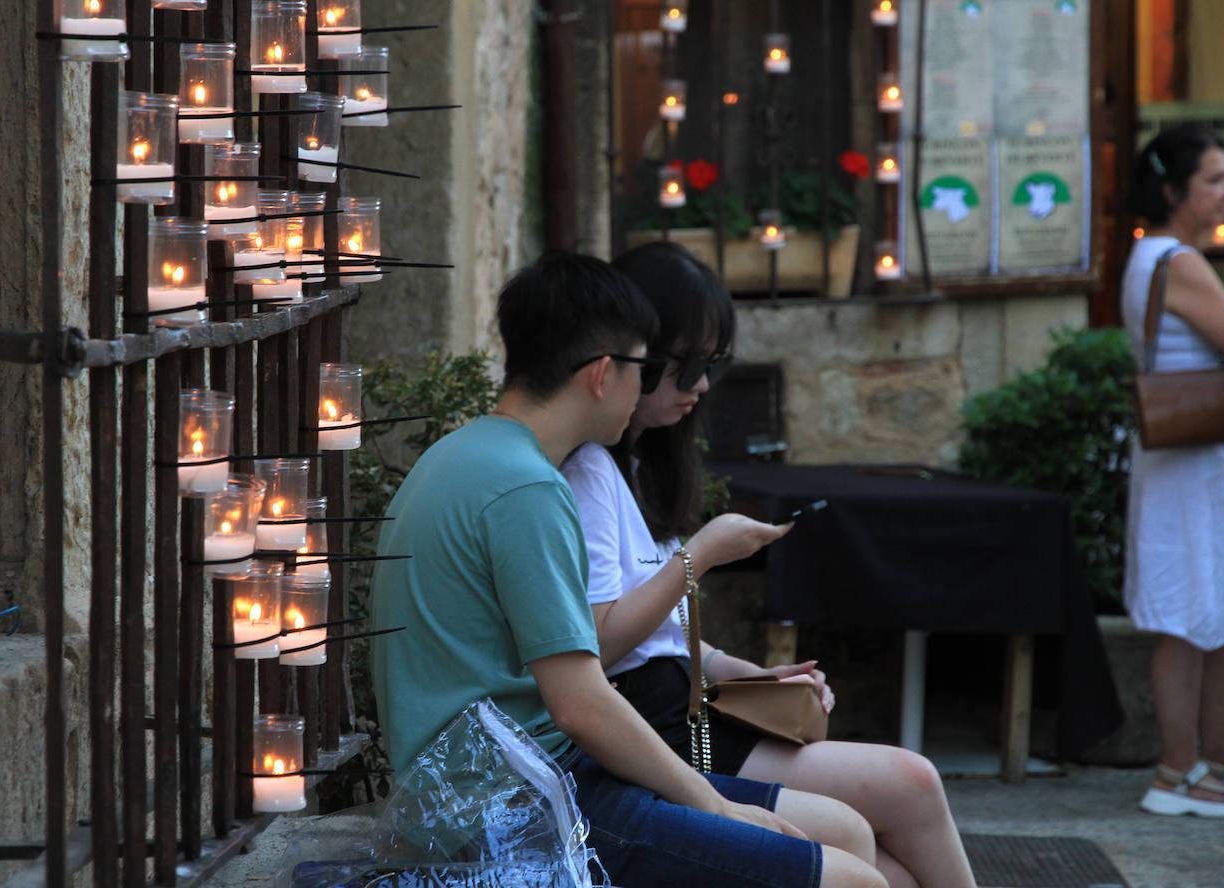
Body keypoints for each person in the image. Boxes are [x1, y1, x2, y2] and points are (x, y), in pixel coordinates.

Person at [370, 251, 886, 888]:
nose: (648, 389)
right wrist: (716, 807)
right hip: (511, 807)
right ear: (602, 374)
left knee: (843, 830)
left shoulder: (467, 453)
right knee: (852, 879)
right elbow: (580, 705)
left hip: (513, 783)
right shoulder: (526, 488)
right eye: (643, 370)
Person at [560, 242, 977, 888]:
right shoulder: (588, 470)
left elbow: (664, 633)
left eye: (714, 366)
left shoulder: (640, 464)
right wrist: (701, 555)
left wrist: (754, 678)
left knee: (894, 865)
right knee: (909, 787)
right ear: (629, 357)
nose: (700, 386)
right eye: (690, 365)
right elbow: (600, 639)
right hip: (658, 731)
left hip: (686, 707)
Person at [1121, 125, 1224, 816]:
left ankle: (1212, 762)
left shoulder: (1150, 256)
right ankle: (1180, 771)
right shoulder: (1184, 261)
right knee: (1193, 615)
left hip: (1181, 458)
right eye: (1215, 180)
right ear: (1175, 192)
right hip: (1196, 462)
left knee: (1209, 611)